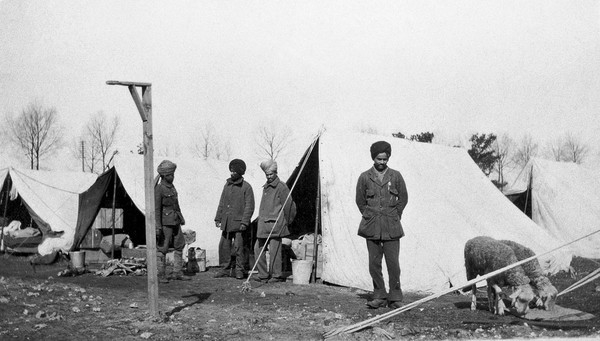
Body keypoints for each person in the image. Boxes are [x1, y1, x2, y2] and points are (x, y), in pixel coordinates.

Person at [355, 141, 408, 309]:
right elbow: (360, 200)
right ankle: (379, 295)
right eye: (379, 159)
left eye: (385, 159)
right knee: (374, 263)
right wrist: (369, 215)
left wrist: (395, 215)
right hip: (372, 227)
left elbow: (404, 198)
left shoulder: (396, 176)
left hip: (391, 226)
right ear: (373, 158)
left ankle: (395, 297)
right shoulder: (365, 177)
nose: (382, 162)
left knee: (393, 264)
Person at [253, 159, 296, 283]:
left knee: (274, 250)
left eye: (271, 174)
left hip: (275, 224)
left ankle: (276, 275)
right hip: (263, 224)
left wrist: (286, 222)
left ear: (276, 172)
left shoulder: (281, 187)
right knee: (257, 248)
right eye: (267, 174)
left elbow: (289, 206)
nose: (269, 177)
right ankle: (262, 274)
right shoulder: (266, 187)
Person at [214, 159, 255, 279]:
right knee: (224, 246)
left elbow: (249, 206)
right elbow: (222, 202)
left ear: (240, 173)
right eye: (231, 171)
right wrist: (218, 218)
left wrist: (244, 222)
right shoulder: (227, 186)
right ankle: (224, 269)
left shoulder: (246, 187)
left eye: (234, 172)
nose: (232, 174)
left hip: (239, 224)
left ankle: (239, 270)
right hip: (227, 222)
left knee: (239, 248)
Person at [155, 160, 190, 282]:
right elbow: (156, 209)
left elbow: (176, 204)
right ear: (164, 176)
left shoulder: (172, 187)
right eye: (171, 175)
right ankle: (160, 275)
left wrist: (181, 217)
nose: (173, 177)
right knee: (163, 248)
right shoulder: (159, 189)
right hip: (165, 223)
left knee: (179, 245)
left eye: (173, 175)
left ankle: (177, 272)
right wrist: (158, 226)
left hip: (175, 220)